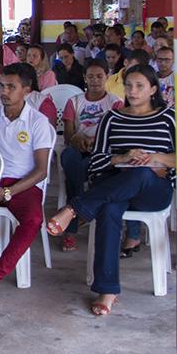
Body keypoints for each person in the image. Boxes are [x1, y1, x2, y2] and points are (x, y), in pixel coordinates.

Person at [46, 65, 176, 316]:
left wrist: (154, 159)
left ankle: (74, 208)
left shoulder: (168, 117)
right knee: (109, 207)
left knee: (141, 173)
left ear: (153, 89)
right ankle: (107, 289)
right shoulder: (112, 118)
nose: (133, 91)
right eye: (128, 86)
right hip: (114, 186)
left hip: (153, 190)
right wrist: (122, 157)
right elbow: (95, 162)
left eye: (139, 86)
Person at [0, 63, 54, 300]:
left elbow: (41, 171)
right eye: (2, 86)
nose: (4, 92)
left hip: (24, 184)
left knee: (33, 220)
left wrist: (7, 191)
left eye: (11, 87)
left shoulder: (38, 123)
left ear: (27, 90)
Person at [58, 61, 124, 252]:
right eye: (90, 76)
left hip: (102, 150)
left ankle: (71, 225)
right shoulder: (75, 101)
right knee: (70, 159)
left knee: (77, 171)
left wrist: (96, 141)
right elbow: (68, 135)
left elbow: (116, 133)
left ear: (107, 77)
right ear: (85, 78)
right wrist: (78, 139)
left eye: (99, 76)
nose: (95, 80)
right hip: (78, 147)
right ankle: (80, 211)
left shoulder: (115, 102)